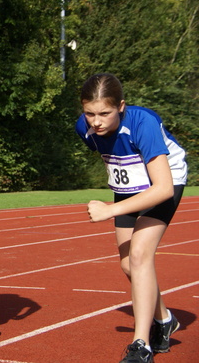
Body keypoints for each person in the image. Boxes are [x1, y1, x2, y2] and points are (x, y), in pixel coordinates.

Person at [75, 73, 187, 363]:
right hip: (128, 188)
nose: (96, 121)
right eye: (90, 113)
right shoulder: (83, 128)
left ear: (121, 106)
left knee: (139, 256)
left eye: (105, 113)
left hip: (164, 183)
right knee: (129, 265)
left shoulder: (143, 124)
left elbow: (161, 187)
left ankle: (141, 344)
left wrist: (109, 211)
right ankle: (165, 319)